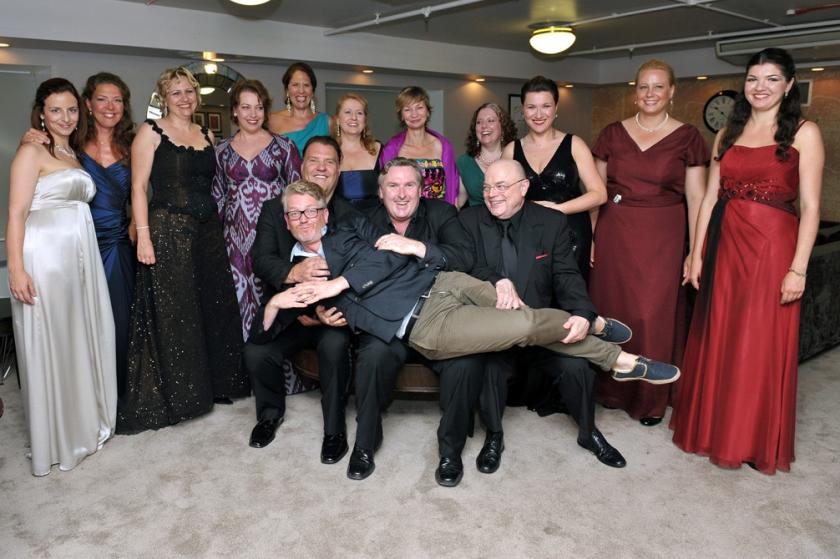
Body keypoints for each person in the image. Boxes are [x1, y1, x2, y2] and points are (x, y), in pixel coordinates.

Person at [671, 48, 824, 475]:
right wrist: (695, 253)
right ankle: (713, 430)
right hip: (725, 243)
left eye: (772, 79)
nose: (760, 87)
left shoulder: (805, 133)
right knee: (720, 333)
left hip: (773, 248)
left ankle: (752, 439)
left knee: (759, 340)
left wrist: (798, 268)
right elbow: (708, 199)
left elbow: (811, 206)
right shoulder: (727, 132)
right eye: (753, 78)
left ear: (789, 85)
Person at [460, 160, 628, 472]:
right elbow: (466, 265)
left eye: (501, 186)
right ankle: (494, 436)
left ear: (524, 188)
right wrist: (497, 280)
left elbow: (566, 275)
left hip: (542, 328)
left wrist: (582, 313)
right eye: (487, 187)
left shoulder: (550, 221)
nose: (492, 194)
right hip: (494, 329)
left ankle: (589, 432)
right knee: (489, 369)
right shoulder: (469, 220)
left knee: (577, 366)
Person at [118, 67, 248, 434]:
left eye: (189, 91)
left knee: (211, 306)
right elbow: (138, 188)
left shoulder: (207, 133)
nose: (184, 98)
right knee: (176, 312)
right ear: (164, 98)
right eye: (175, 92)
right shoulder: (150, 132)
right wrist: (144, 236)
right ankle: (181, 396)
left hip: (207, 232)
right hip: (168, 230)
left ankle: (215, 385)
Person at [589, 60, 709, 426]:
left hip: (663, 235)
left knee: (652, 313)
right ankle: (610, 390)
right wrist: (593, 237)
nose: (650, 94)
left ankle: (650, 397)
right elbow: (596, 192)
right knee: (613, 311)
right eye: (643, 87)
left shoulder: (688, 137)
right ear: (634, 92)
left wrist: (695, 252)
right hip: (614, 232)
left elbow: (697, 199)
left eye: (658, 87)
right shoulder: (612, 134)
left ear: (672, 92)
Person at [7, 77, 116, 475]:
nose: (65, 117)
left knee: (76, 337)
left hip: (79, 258)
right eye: (55, 110)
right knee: (53, 340)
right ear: (41, 113)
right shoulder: (30, 151)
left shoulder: (71, 152)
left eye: (71, 109)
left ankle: (82, 424)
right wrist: (16, 268)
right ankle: (58, 438)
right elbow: (16, 213)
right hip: (46, 258)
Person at [352, 157, 481, 486]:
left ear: (422, 190)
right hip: (389, 323)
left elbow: (465, 257)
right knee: (371, 356)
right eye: (393, 186)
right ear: (380, 192)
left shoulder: (442, 213)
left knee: (465, 362)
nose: (401, 193)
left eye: (409, 185)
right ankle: (365, 443)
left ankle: (451, 450)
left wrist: (417, 247)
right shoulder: (364, 219)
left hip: (437, 318)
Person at [20, 72, 137, 395]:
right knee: (75, 323)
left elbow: (142, 189)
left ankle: (116, 394)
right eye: (102, 99)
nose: (110, 107)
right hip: (72, 243)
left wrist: (136, 224)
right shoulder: (69, 142)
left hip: (116, 243)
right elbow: (37, 179)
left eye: (117, 100)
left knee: (117, 319)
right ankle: (83, 395)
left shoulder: (132, 144)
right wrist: (29, 138)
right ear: (87, 104)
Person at [245, 136, 358, 460]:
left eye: (329, 161)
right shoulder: (275, 209)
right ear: (301, 165)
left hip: (331, 316)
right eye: (314, 160)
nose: (321, 168)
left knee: (334, 347)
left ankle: (334, 430)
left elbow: (359, 272)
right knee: (256, 351)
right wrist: (295, 273)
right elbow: (261, 259)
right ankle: (269, 415)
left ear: (339, 169)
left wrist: (323, 310)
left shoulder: (351, 215)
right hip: (290, 312)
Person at [212, 79, 301, 339]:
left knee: (275, 299)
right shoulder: (221, 150)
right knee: (238, 301)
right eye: (246, 107)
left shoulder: (284, 147)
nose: (253, 114)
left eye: (259, 107)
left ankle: (276, 360)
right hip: (235, 240)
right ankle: (244, 361)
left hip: (274, 237)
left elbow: (296, 193)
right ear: (234, 110)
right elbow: (217, 197)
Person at [502, 76, 606, 283]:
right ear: (523, 110)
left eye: (546, 106)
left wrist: (557, 209)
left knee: (570, 295)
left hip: (571, 236)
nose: (538, 114)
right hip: (528, 237)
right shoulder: (511, 150)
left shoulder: (575, 144)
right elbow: (503, 196)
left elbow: (599, 194)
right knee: (530, 296)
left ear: (556, 108)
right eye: (531, 107)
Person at [380, 86, 460, 205]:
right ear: (401, 115)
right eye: (407, 109)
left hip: (440, 213)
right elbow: (386, 190)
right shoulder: (390, 150)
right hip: (404, 212)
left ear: (427, 111)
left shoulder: (443, 146)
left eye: (419, 107)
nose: (414, 114)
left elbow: (452, 188)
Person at [457, 102, 518, 207]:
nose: (484, 126)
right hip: (475, 216)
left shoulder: (516, 158)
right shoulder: (464, 162)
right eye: (479, 122)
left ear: (503, 127)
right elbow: (459, 201)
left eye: (491, 121)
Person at [268, 62, 332, 153]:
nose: (301, 91)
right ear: (287, 90)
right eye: (295, 85)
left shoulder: (327, 122)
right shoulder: (271, 120)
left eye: (306, 85)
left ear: (312, 91)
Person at [334, 93, 382, 210]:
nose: (354, 117)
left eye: (359, 113)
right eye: (348, 112)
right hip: (336, 219)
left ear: (365, 120)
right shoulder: (328, 151)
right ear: (338, 119)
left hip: (375, 218)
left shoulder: (379, 149)